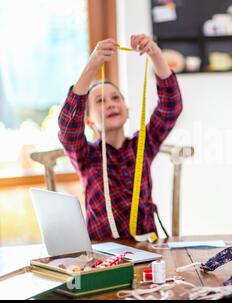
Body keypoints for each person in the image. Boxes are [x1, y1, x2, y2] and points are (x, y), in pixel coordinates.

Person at [58, 34, 182, 240]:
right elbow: (68, 126)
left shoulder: (143, 145)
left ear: (128, 109)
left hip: (147, 249)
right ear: (87, 120)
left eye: (116, 98)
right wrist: (91, 66)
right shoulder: (85, 155)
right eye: (100, 101)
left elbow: (171, 107)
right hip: (102, 255)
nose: (110, 104)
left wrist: (156, 54)